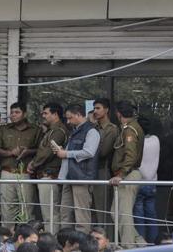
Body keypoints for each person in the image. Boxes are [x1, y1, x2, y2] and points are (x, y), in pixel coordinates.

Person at [54, 104, 100, 233]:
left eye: (70, 118)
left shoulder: (91, 131)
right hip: (70, 176)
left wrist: (66, 154)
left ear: (79, 115)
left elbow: (89, 152)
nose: (68, 121)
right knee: (65, 211)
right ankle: (66, 240)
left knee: (81, 213)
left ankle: (82, 242)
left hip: (81, 176)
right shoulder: (76, 130)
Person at [0, 102, 40, 229]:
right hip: (7, 172)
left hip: (25, 173)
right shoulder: (3, 129)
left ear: (25, 114)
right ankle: (7, 236)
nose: (13, 115)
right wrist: (10, 152)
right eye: (12, 112)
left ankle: (27, 238)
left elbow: (41, 149)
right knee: (7, 207)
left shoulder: (35, 130)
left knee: (26, 207)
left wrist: (28, 151)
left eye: (17, 112)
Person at [109, 101, 146, 248]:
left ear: (118, 114)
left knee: (123, 213)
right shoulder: (131, 127)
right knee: (116, 212)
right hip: (127, 174)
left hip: (127, 175)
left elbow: (130, 155)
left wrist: (121, 174)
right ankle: (138, 242)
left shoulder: (129, 129)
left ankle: (128, 246)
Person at [27, 102, 68, 233]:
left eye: (46, 113)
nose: (43, 116)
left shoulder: (58, 131)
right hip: (45, 175)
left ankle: (51, 241)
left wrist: (33, 164)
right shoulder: (52, 130)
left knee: (50, 213)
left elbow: (48, 152)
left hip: (50, 176)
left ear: (55, 114)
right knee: (48, 213)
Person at [91, 98, 119, 235]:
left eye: (98, 108)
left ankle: (107, 240)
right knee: (91, 210)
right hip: (89, 171)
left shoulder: (111, 129)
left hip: (103, 170)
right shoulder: (93, 127)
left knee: (102, 210)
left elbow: (103, 152)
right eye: (94, 108)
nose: (95, 111)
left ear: (106, 110)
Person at [133, 120, 160, 243]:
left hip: (139, 181)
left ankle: (142, 243)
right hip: (152, 182)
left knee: (138, 216)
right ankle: (154, 242)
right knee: (151, 215)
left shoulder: (138, 142)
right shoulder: (156, 140)